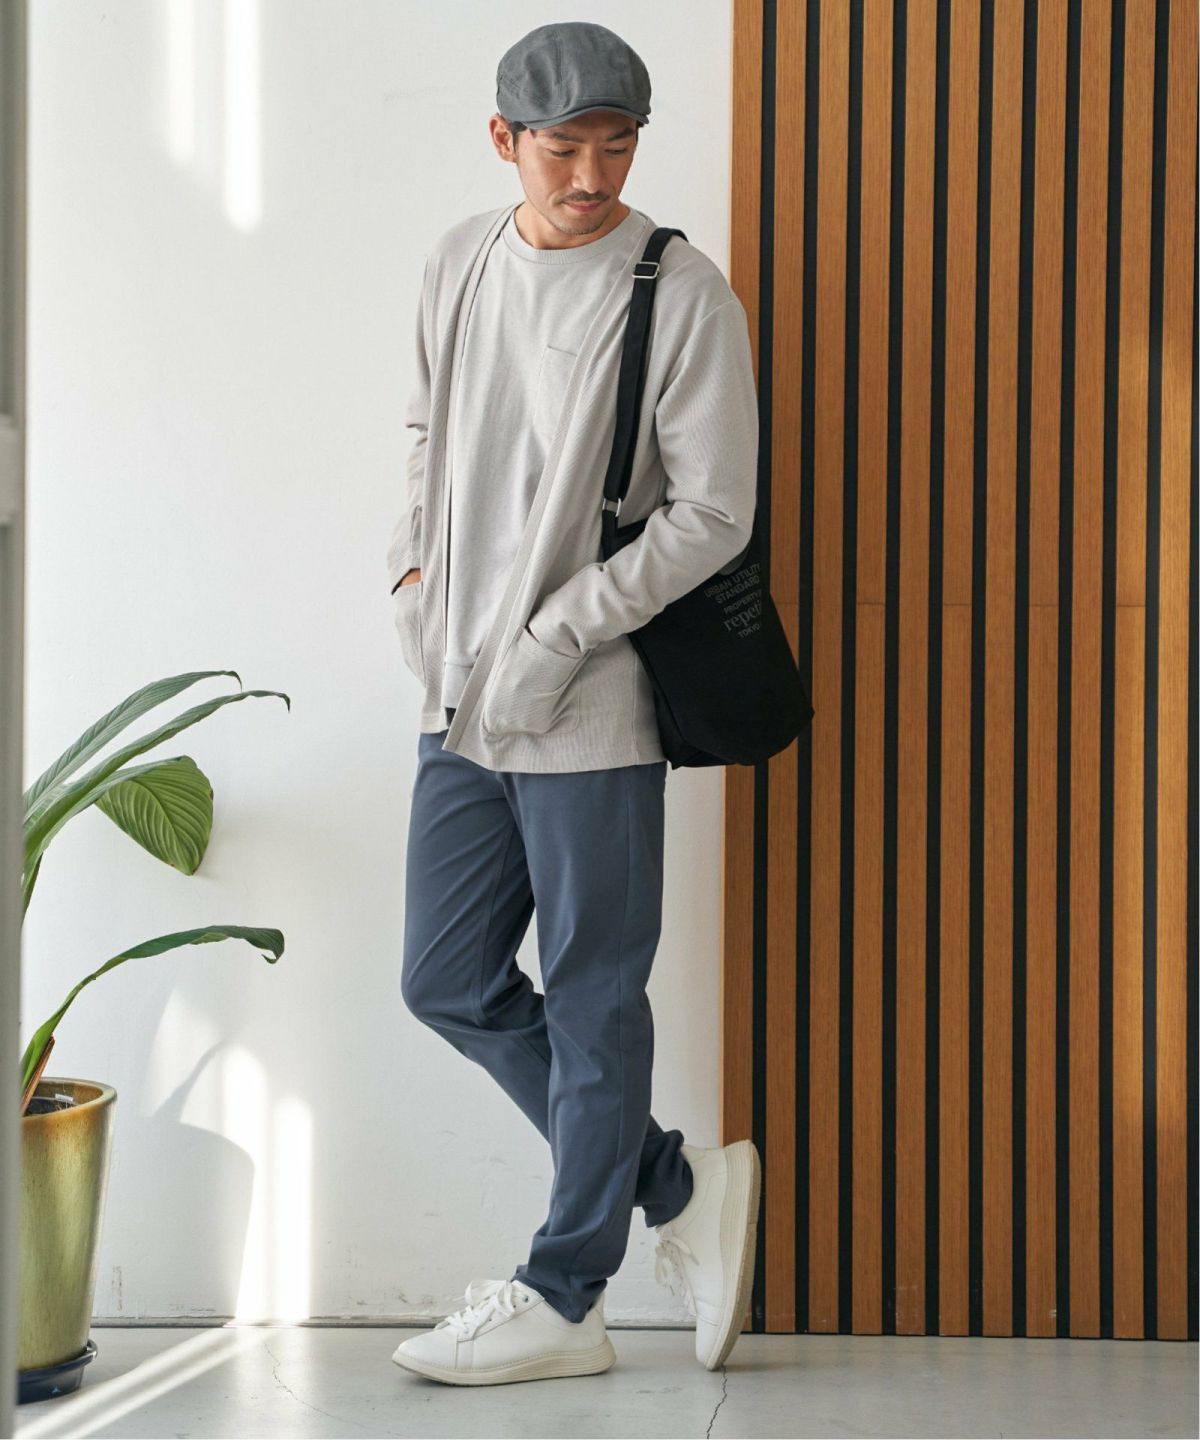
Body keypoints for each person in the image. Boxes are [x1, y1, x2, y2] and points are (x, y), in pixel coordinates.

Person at [388, 20, 762, 1387]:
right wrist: (413, 577)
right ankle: (672, 1180)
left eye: (618, 145)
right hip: (459, 690)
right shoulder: (460, 260)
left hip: (591, 697)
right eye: (564, 149)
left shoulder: (681, 290)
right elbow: (426, 432)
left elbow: (715, 512)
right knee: (445, 978)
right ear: (506, 141)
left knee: (597, 993)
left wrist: (561, 629)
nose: (594, 175)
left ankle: (567, 1296)